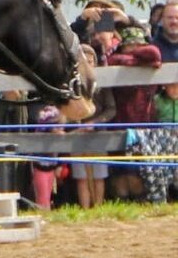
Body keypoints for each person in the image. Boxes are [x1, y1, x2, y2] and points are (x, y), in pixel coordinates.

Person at [107, 25, 161, 200]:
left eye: (139, 45)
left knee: (141, 171)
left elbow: (154, 54)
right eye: (131, 45)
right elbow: (113, 60)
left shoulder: (148, 55)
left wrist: (134, 57)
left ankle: (141, 202)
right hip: (120, 122)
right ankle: (122, 204)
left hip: (145, 125)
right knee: (121, 171)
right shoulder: (118, 59)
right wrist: (135, 60)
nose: (135, 48)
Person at [70, 44, 115, 208]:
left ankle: (99, 209)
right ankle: (85, 209)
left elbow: (111, 109)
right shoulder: (71, 84)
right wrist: (77, 123)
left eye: (90, 61)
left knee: (99, 176)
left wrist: (94, 123)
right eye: (83, 62)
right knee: (81, 177)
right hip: (77, 134)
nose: (87, 65)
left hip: (98, 134)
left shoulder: (103, 85)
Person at [31, 104, 65, 209]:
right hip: (40, 165)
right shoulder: (42, 133)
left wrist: (59, 164)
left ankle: (46, 212)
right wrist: (52, 130)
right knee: (42, 196)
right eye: (57, 125)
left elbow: (61, 149)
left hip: (51, 166)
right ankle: (43, 215)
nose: (60, 129)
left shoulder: (58, 136)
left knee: (48, 194)